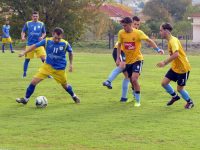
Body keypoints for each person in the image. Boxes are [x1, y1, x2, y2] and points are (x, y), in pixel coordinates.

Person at [16, 27, 80, 105]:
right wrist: (24, 52)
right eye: (56, 38)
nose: (57, 40)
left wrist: (71, 64)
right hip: (47, 67)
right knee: (33, 82)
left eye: (59, 39)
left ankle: (74, 96)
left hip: (59, 69)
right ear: (53, 34)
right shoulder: (47, 41)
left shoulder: (65, 44)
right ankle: (25, 100)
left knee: (65, 86)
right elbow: (35, 46)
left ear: (62, 36)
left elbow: (71, 52)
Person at [116, 17, 164, 107]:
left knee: (134, 79)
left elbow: (149, 41)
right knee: (131, 80)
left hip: (138, 59)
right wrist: (118, 58)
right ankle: (135, 96)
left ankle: (137, 101)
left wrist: (158, 49)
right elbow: (119, 45)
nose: (123, 27)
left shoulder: (138, 33)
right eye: (122, 26)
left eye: (125, 26)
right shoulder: (121, 33)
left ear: (130, 25)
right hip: (128, 61)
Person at [103, 16, 141, 102]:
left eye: (138, 24)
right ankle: (109, 81)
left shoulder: (136, 33)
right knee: (122, 66)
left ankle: (123, 98)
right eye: (135, 24)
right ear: (131, 23)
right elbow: (120, 45)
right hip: (119, 51)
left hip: (126, 53)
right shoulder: (125, 32)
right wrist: (118, 58)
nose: (136, 26)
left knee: (128, 77)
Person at [157, 23, 194, 109]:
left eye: (161, 30)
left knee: (180, 89)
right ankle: (175, 97)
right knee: (164, 83)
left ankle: (190, 102)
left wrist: (164, 62)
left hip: (183, 68)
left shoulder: (173, 41)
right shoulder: (170, 40)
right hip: (175, 67)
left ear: (166, 31)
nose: (160, 32)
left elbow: (176, 54)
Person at [21, 11, 46, 78]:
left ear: (38, 17)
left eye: (36, 16)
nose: (35, 17)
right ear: (32, 17)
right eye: (34, 16)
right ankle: (24, 73)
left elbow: (44, 33)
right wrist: (23, 37)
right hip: (30, 44)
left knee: (44, 59)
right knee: (27, 59)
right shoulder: (28, 23)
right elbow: (23, 31)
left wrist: (42, 37)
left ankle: (48, 74)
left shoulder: (41, 24)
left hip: (39, 44)